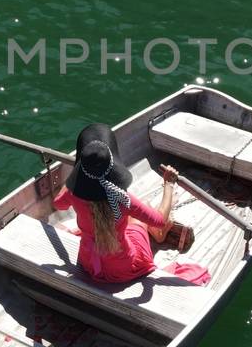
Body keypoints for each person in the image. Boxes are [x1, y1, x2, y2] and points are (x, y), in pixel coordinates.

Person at [52, 123, 210, 287]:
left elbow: (58, 204)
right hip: (124, 269)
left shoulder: (73, 193)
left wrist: (74, 181)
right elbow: (159, 221)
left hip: (89, 264)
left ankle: (151, 232)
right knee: (137, 219)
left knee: (111, 223)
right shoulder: (122, 199)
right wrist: (169, 184)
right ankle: (158, 235)